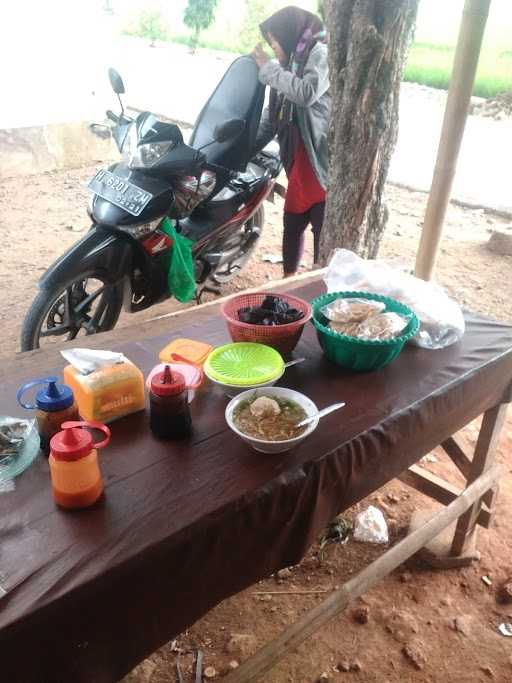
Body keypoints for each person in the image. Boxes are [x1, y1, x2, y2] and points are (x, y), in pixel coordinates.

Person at [252, 5, 330, 277]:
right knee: (293, 222)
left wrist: (269, 69)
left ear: (288, 34)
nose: (274, 47)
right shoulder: (290, 66)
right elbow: (273, 115)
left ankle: (320, 290)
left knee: (323, 237)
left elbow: (306, 93)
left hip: (319, 164)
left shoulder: (319, 53)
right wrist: (245, 143)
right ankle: (288, 283)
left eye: (274, 41)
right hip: (298, 161)